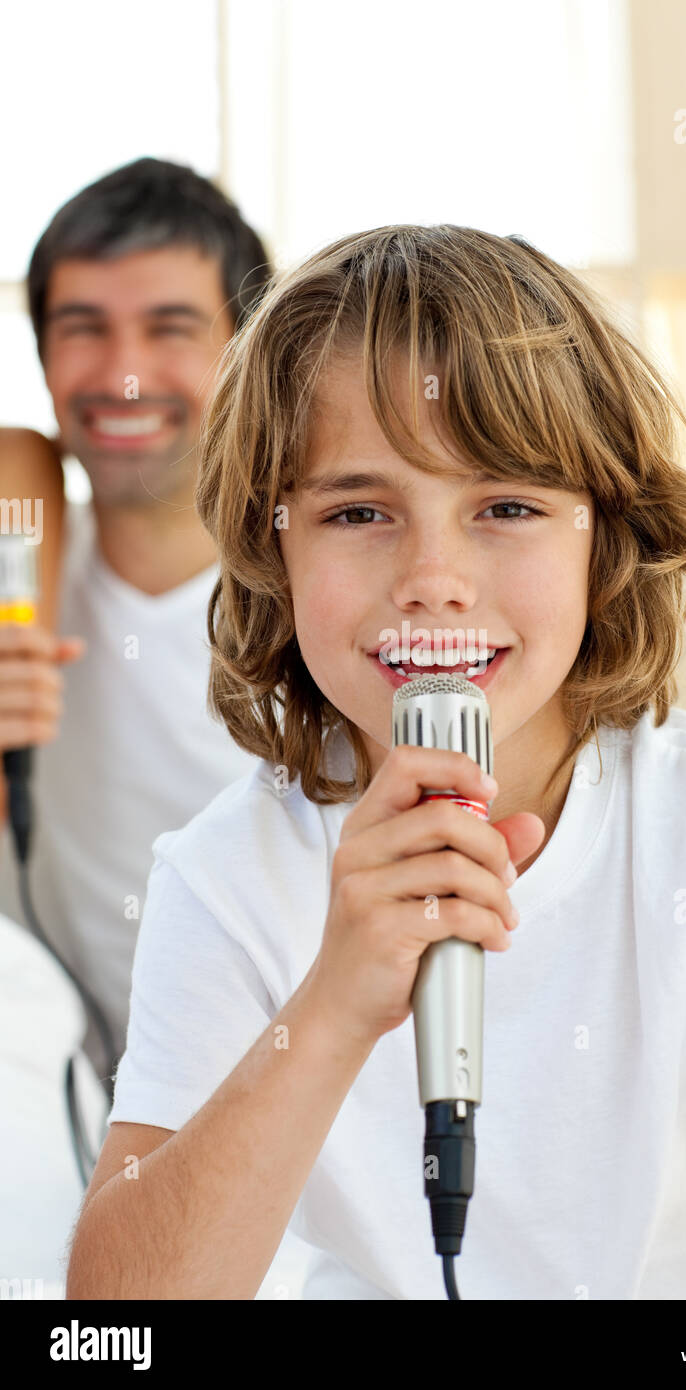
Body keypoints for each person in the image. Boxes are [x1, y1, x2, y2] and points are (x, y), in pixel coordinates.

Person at [67, 226, 686, 1300]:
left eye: (506, 507)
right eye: (358, 511)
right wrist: (337, 998)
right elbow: (117, 1328)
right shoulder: (222, 876)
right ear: (273, 549)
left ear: (605, 538)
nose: (433, 578)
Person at [0, 158, 273, 1077]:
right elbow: (10, 454)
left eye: (169, 329)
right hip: (61, 1111)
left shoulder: (325, 596)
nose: (122, 376)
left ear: (246, 351)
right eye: (82, 329)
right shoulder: (23, 556)